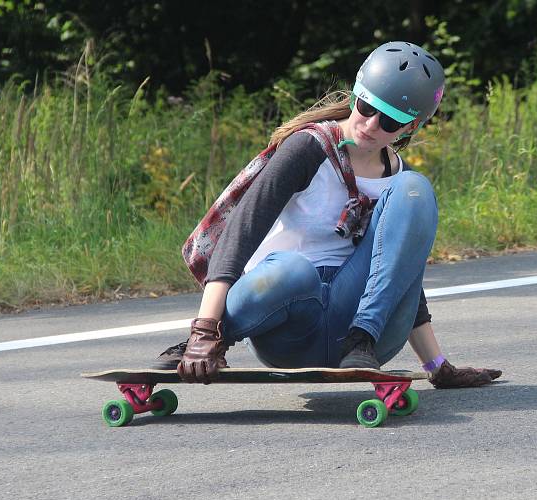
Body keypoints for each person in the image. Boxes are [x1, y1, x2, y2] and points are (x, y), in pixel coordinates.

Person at [156, 42, 502, 388]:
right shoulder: (309, 148)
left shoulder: (399, 180)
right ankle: (210, 342)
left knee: (416, 189)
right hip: (289, 325)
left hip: (364, 335)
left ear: (410, 128)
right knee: (293, 269)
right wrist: (204, 330)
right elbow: (240, 233)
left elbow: (401, 273)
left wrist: (437, 366)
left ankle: (361, 337)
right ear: (355, 94)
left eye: (390, 121)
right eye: (366, 106)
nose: (370, 124)